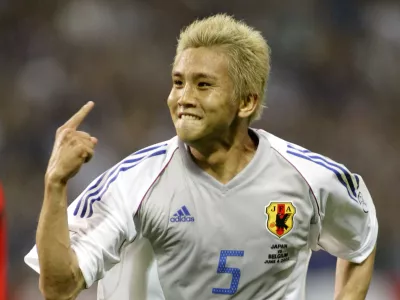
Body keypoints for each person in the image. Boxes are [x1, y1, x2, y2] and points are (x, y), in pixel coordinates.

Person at [25, 14, 378, 300]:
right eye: (178, 82)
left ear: (246, 102)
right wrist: (55, 185)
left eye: (203, 84)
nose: (183, 98)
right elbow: (59, 287)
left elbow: (361, 238)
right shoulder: (134, 182)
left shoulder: (309, 178)